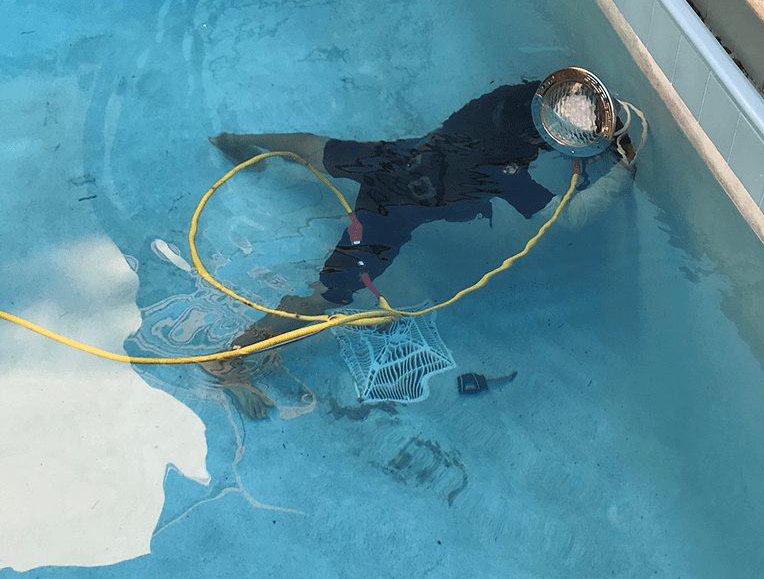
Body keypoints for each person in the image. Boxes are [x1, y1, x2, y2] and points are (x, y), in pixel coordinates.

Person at [204, 79, 636, 416]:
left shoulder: (495, 105)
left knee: (310, 147)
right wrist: (623, 173)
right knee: (324, 298)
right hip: (392, 212)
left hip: (393, 158)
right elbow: (568, 219)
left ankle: (241, 140)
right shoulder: (506, 174)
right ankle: (229, 363)